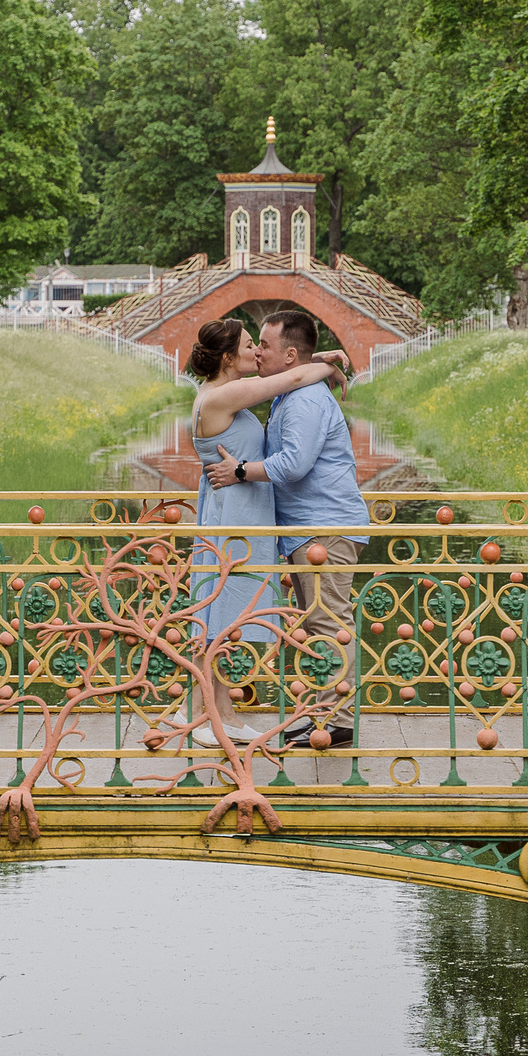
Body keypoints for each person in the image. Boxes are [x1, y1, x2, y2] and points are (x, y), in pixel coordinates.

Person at [176, 316, 346, 748]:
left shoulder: (224, 393)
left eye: (261, 344)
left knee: (221, 617)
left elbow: (294, 373)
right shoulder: (226, 393)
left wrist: (314, 360)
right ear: (229, 358)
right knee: (218, 617)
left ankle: (212, 711)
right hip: (233, 519)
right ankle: (207, 713)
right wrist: (328, 362)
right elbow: (297, 373)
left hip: (242, 515)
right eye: (251, 344)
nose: (256, 351)